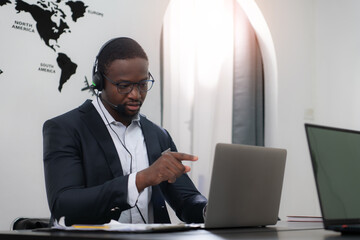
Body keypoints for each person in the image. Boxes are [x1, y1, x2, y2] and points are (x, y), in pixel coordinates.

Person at [43, 37, 207, 226]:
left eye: (143, 84)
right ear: (100, 82)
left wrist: (207, 209)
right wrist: (140, 180)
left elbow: (187, 200)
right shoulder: (65, 129)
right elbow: (63, 204)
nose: (136, 94)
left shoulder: (158, 135)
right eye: (124, 86)